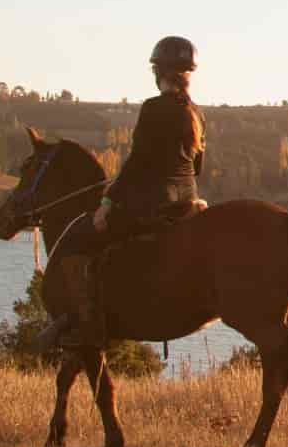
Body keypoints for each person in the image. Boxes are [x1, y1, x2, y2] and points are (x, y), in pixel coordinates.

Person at [55, 36, 207, 350]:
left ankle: (87, 321)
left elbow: (137, 163)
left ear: (158, 72)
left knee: (80, 241)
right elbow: (198, 167)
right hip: (187, 201)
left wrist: (108, 202)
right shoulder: (197, 113)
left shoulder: (153, 108)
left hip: (154, 204)